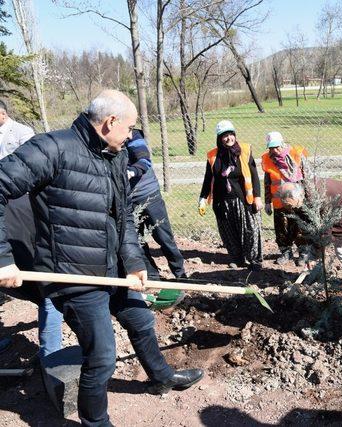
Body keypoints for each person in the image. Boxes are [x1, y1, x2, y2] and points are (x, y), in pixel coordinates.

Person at [0, 90, 203, 426]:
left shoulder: (115, 156)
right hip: (73, 275)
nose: (132, 136)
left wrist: (135, 263)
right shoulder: (52, 148)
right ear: (110, 122)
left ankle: (161, 377)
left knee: (140, 321)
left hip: (112, 268)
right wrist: (2, 257)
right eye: (130, 128)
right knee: (102, 357)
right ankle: (96, 423)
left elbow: (120, 215)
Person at [0, 99, 63, 359]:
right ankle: (52, 362)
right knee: (50, 293)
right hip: (20, 245)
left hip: (20, 244)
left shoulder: (29, 193)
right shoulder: (31, 199)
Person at [198, 120, 263, 270]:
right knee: (229, 232)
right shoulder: (213, 156)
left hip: (244, 199)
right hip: (222, 201)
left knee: (251, 230)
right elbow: (208, 179)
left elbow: (254, 175)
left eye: (230, 134)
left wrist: (258, 197)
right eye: (224, 136)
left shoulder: (245, 150)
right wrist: (202, 198)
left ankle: (254, 260)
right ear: (219, 138)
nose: (228, 138)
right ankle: (236, 258)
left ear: (234, 135)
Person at [126, 129, 187, 280]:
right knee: (137, 241)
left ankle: (180, 273)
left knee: (163, 236)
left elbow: (144, 159)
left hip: (148, 194)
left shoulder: (132, 135)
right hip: (127, 200)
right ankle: (152, 276)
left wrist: (131, 171)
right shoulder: (105, 140)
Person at [261, 131, 311, 266]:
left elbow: (307, 178)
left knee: (301, 226)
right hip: (278, 202)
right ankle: (285, 252)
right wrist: (267, 202)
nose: (275, 150)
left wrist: (310, 198)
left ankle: (303, 253)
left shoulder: (296, 154)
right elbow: (267, 183)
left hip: (298, 201)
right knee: (282, 229)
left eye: (277, 146)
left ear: (282, 144)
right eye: (271, 148)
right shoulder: (268, 159)